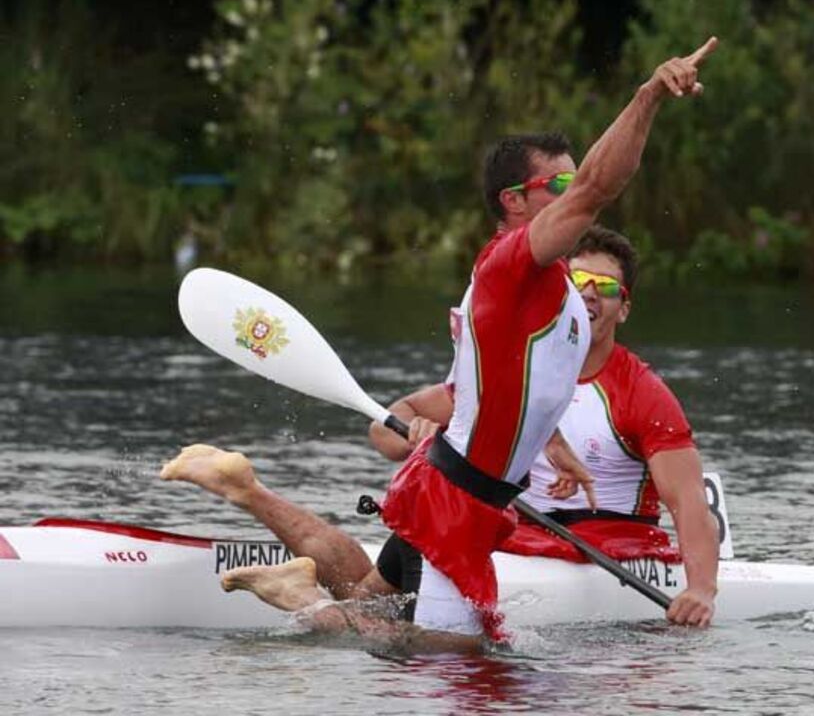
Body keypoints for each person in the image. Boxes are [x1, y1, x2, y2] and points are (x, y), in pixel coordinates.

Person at [162, 37, 720, 652]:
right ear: (515, 202)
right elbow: (598, 186)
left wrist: (552, 442)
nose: (572, 190)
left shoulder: (553, 288)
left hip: (471, 495)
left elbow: (518, 383)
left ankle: (283, 547)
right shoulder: (512, 266)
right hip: (460, 499)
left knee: (397, 616)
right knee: (442, 652)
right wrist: (647, 98)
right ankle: (305, 600)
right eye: (556, 182)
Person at [370, 226, 718, 627]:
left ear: (623, 308)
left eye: (604, 287)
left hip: (605, 547)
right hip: (521, 539)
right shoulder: (515, 375)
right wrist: (416, 431)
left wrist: (700, 591)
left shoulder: (642, 393)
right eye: (577, 281)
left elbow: (689, 503)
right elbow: (386, 424)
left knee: (400, 586)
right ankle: (324, 596)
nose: (588, 293)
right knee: (399, 554)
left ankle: (333, 614)